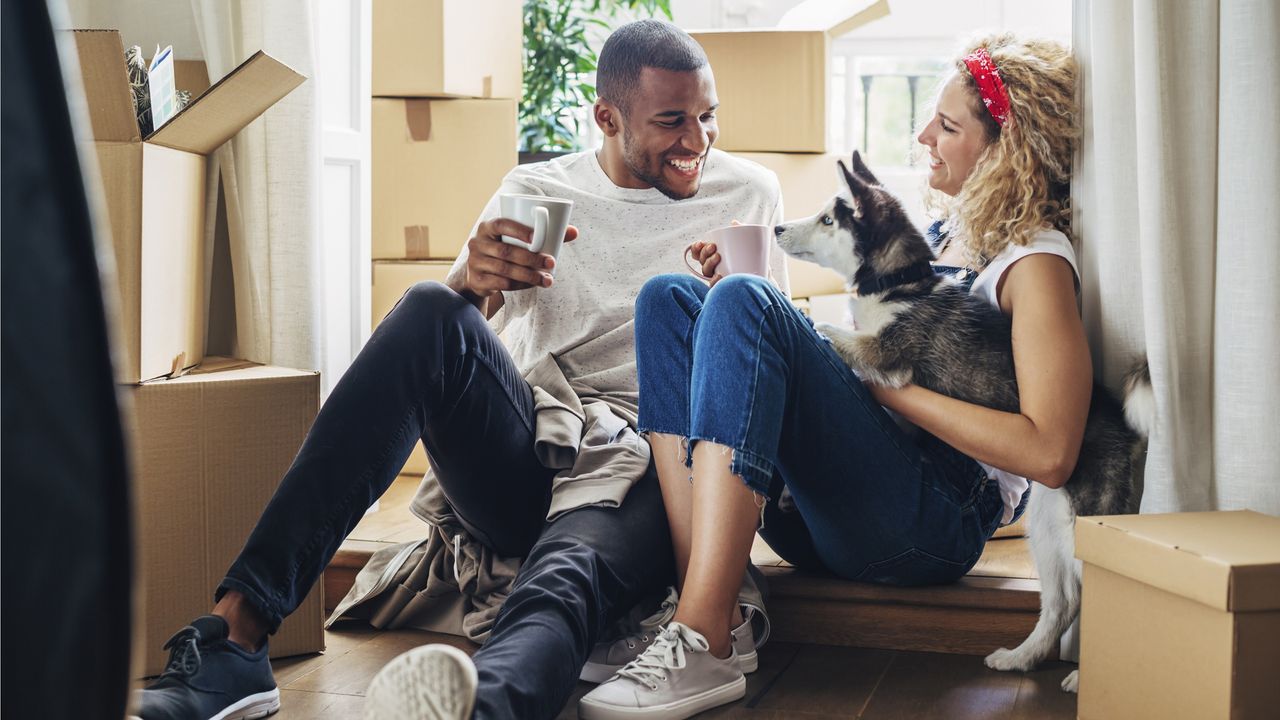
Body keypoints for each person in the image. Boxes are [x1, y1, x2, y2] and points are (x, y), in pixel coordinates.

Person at [132, 19, 787, 720]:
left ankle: (483, 708)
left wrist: (727, 303)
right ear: (607, 117)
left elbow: (758, 360)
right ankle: (236, 634)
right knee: (427, 309)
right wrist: (471, 282)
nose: (697, 141)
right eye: (672, 121)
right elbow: (447, 329)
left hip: (654, 464)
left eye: (707, 116)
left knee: (565, 571)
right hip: (534, 448)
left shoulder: (748, 193)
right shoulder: (537, 187)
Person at [578, 33, 1083, 719]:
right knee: (669, 298)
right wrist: (750, 321)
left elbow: (1050, 452)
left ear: (1007, 150)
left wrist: (883, 383)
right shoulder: (942, 240)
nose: (922, 133)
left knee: (746, 301)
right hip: (832, 511)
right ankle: (707, 599)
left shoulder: (1035, 264)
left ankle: (703, 636)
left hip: (930, 519)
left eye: (949, 124)